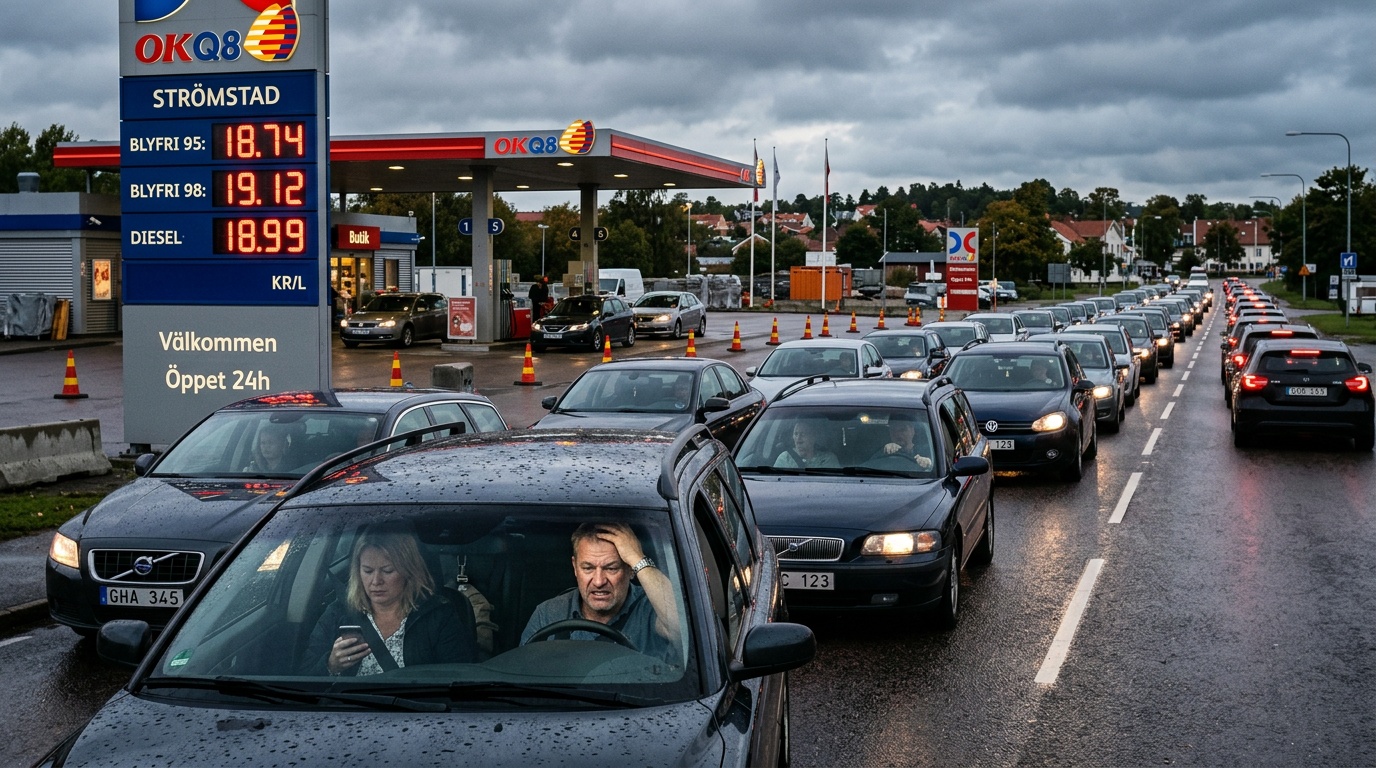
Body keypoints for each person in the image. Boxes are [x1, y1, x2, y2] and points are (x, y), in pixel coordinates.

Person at [305, 528, 477, 676]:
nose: (376, 581)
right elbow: (303, 676)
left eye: (387, 571)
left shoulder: (438, 616)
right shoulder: (338, 613)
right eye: (368, 571)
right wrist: (330, 665)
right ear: (358, 571)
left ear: (408, 571)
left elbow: (458, 679)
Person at [520, 522, 679, 661]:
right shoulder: (548, 614)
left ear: (631, 569)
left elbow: (682, 629)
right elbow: (524, 673)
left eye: (611, 568)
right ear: (575, 567)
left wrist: (637, 558)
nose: (598, 581)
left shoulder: (652, 608)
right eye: (588, 568)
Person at [773, 421, 840, 469]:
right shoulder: (785, 458)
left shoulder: (828, 459)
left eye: (803, 434)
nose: (798, 438)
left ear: (813, 437)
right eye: (796, 434)